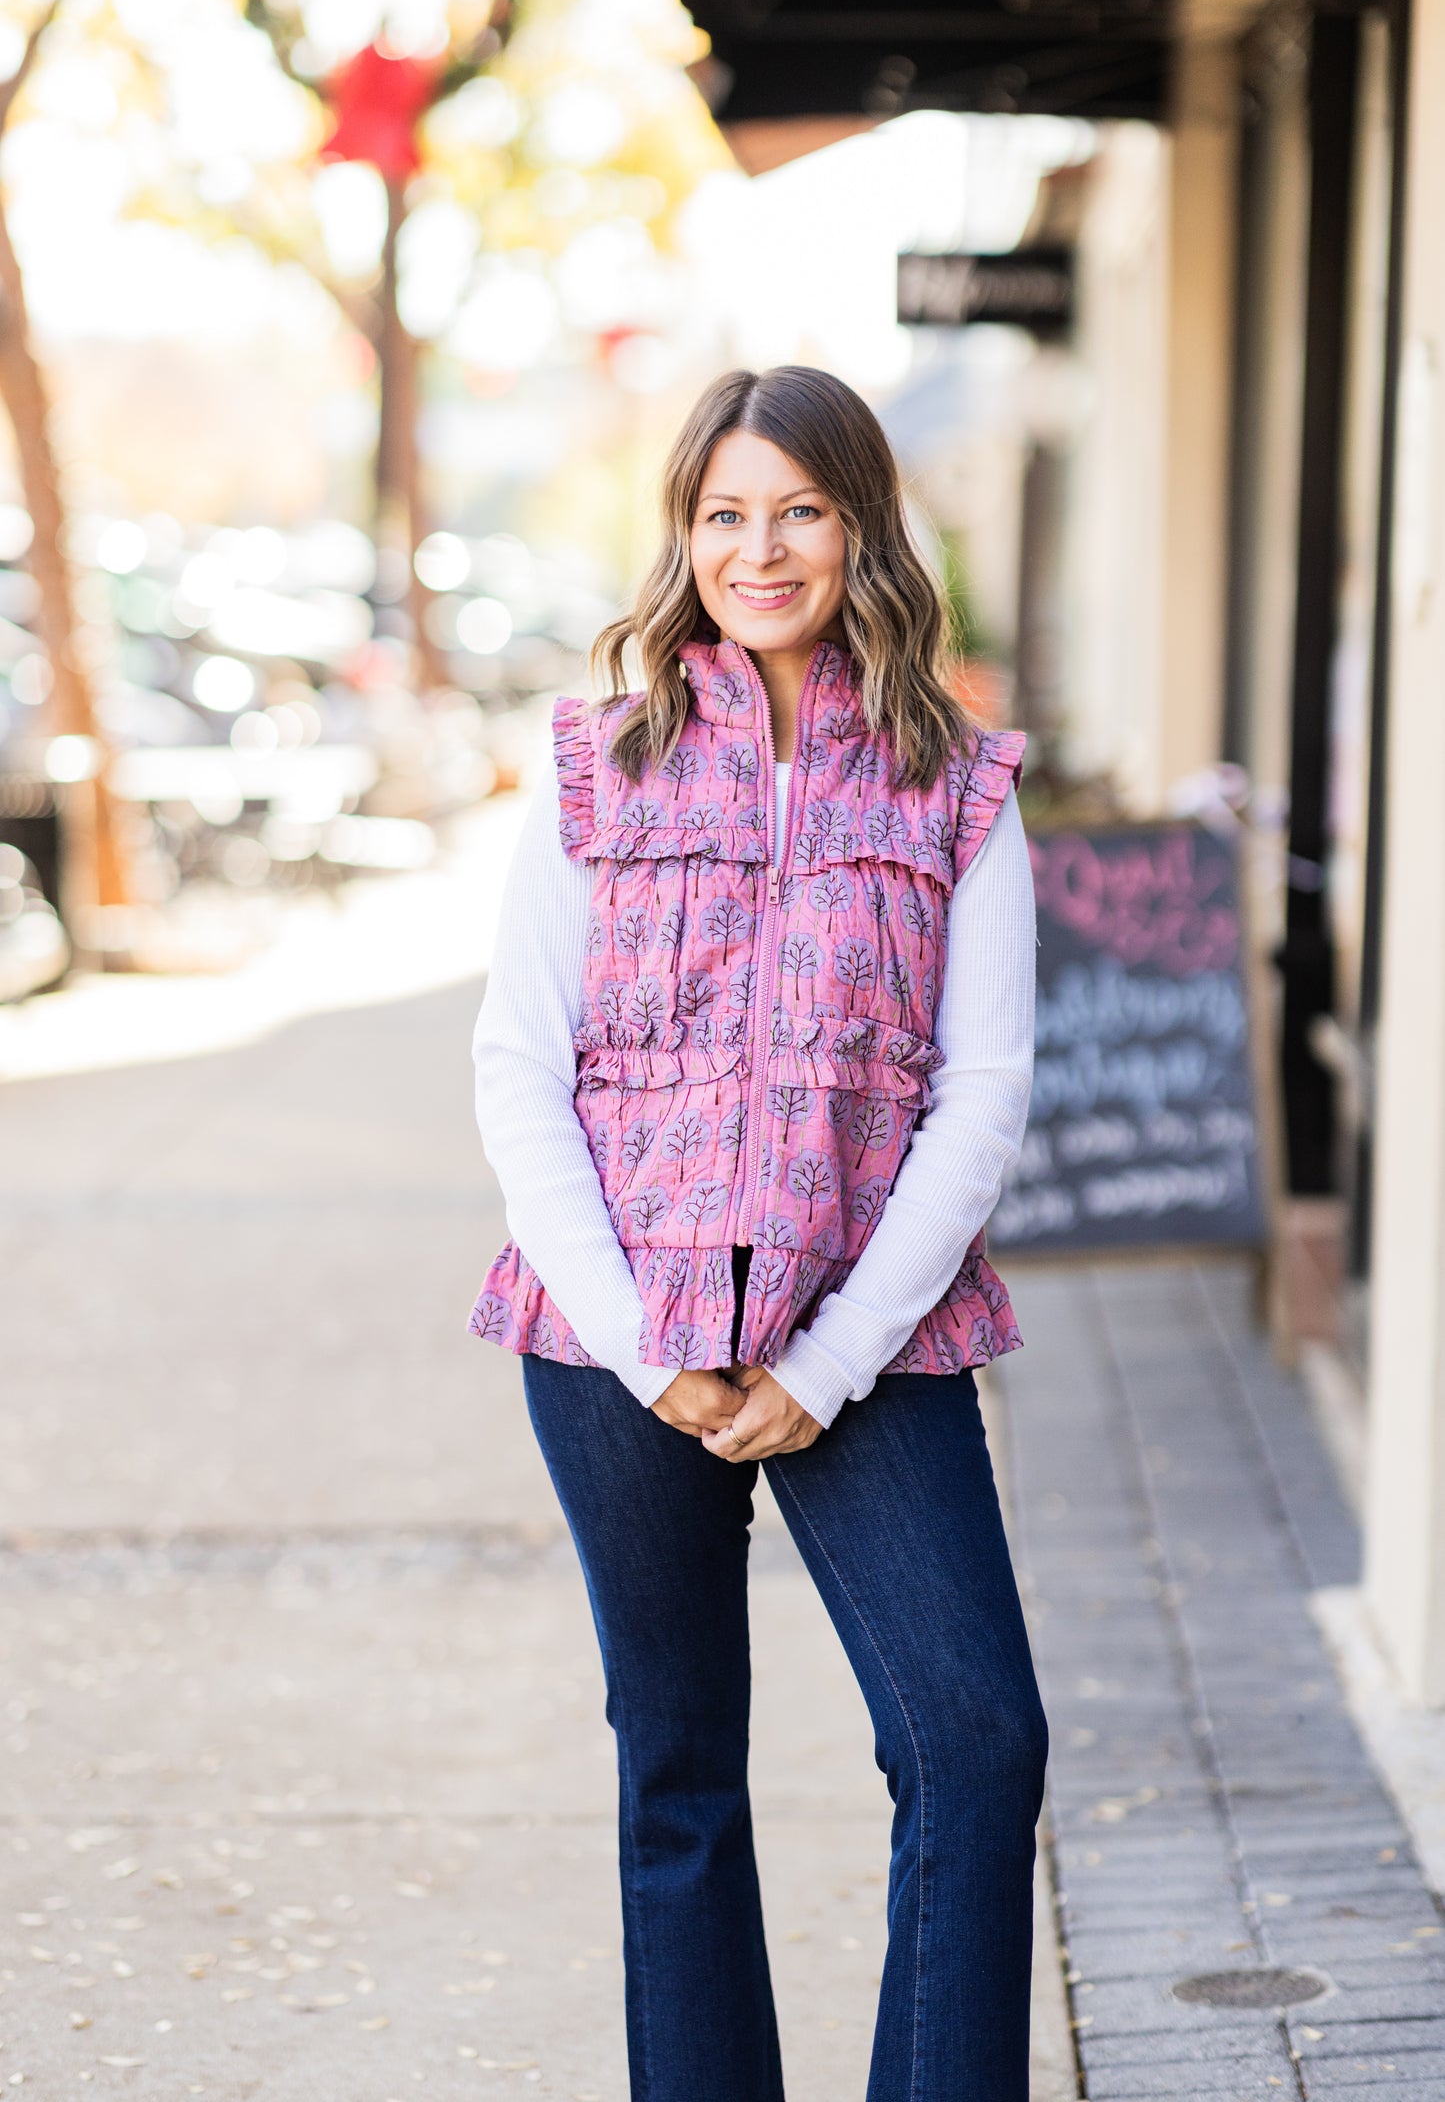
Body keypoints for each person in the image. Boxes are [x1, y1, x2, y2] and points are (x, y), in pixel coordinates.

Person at [470, 364, 1046, 2102]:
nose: (758, 546)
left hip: (867, 1339)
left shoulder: (957, 779)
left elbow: (981, 1096)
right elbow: (518, 1068)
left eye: (797, 507)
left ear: (862, 522)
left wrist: (824, 1359)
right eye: (724, 512)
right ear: (685, 535)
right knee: (677, 1775)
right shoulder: (603, 756)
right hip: (614, 1348)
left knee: (974, 1741)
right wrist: (650, 1346)